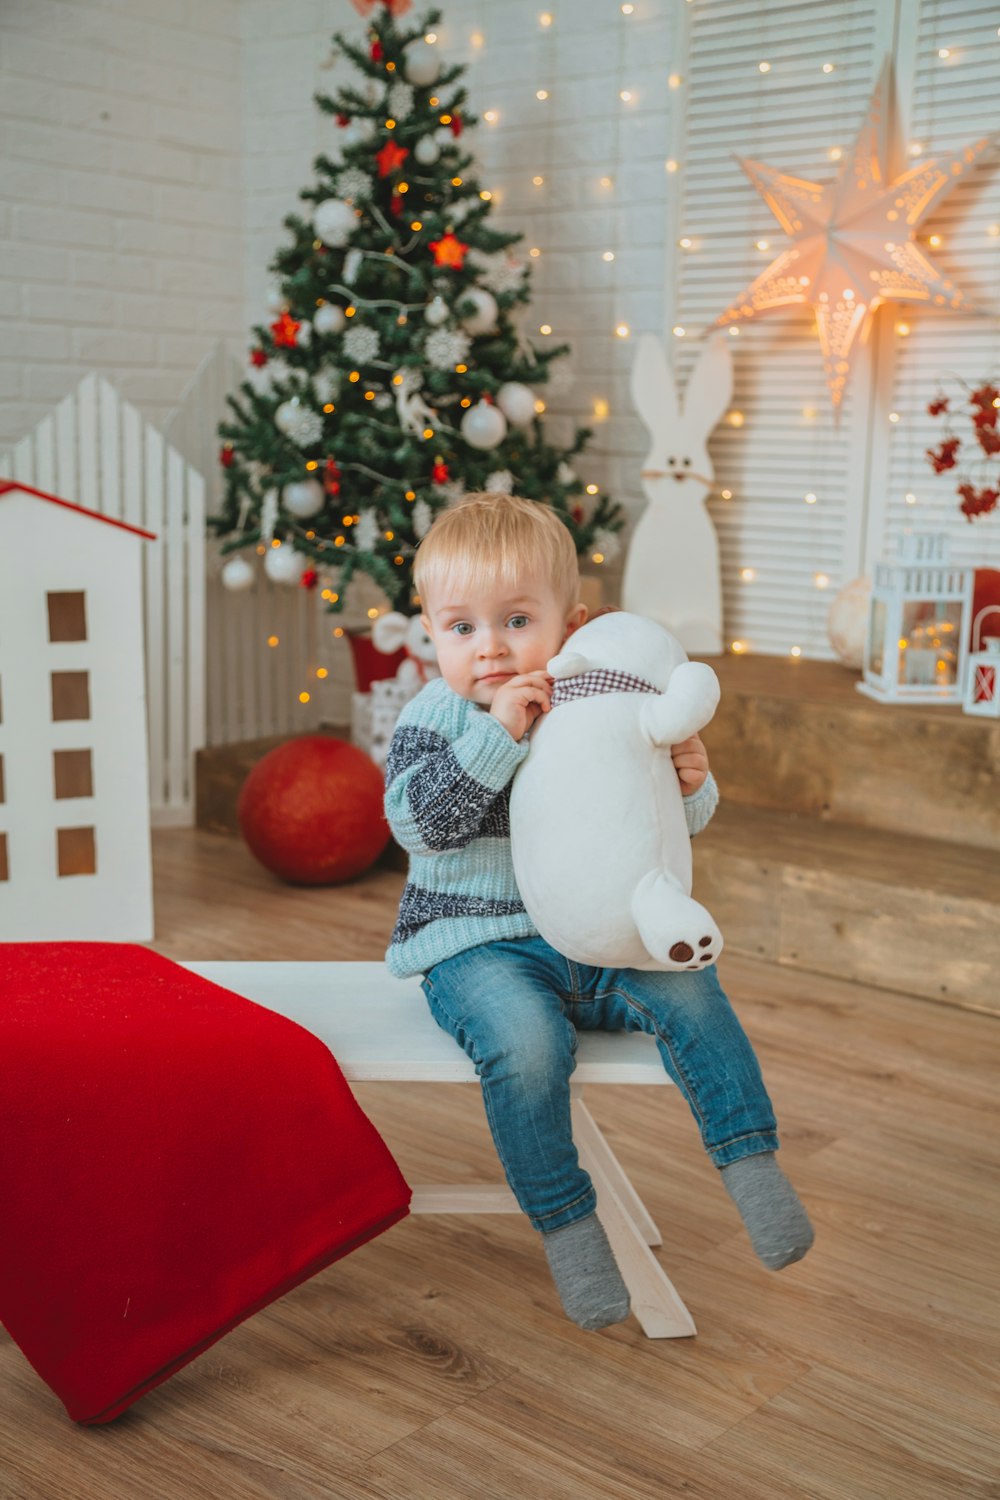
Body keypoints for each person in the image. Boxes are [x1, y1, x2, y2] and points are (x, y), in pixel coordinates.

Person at [383, 492, 813, 1331]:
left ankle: (751, 1165)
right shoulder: (433, 718)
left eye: (515, 620)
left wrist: (691, 782)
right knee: (525, 1043)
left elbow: (650, 826)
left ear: (572, 625)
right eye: (461, 628)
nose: (492, 649)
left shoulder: (603, 706)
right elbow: (420, 825)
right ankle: (569, 1229)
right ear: (430, 631)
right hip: (479, 947)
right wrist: (496, 736)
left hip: (603, 939)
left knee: (695, 992)